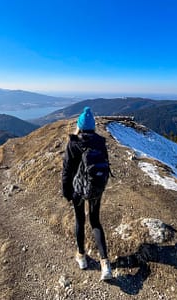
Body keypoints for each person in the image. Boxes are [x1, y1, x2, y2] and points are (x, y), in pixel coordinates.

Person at [62, 107, 113, 281]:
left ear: (80, 126)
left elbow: (67, 170)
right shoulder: (100, 142)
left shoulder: (73, 143)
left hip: (77, 190)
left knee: (80, 221)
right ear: (93, 127)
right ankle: (105, 264)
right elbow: (105, 165)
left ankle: (82, 257)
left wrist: (66, 191)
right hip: (95, 189)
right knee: (95, 221)